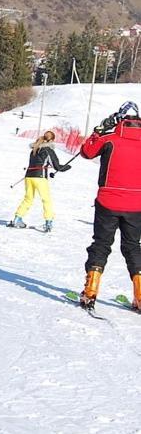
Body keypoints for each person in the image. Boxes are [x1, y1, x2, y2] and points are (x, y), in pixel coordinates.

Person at [78, 101, 141, 311]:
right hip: (136, 204)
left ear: (120, 119)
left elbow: (87, 151)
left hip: (108, 201)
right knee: (133, 247)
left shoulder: (110, 139)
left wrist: (99, 130)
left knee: (101, 245)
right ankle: (140, 295)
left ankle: (90, 292)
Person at [8, 129, 71, 232]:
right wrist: (67, 167)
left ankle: (17, 219)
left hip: (29, 176)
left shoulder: (34, 149)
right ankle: (48, 222)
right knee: (46, 200)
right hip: (40, 177)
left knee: (28, 198)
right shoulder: (48, 150)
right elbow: (57, 166)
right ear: (51, 140)